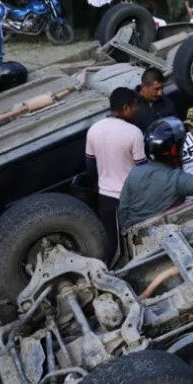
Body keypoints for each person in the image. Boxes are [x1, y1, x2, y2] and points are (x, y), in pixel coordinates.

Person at [116, 117, 193, 233]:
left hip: (136, 236)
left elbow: (123, 210)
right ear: (174, 150)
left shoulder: (134, 173)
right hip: (165, 234)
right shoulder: (176, 179)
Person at [85, 87, 146, 261]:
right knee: (137, 242)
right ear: (126, 107)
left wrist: (100, 184)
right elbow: (142, 168)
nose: (136, 111)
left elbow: (90, 164)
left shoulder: (94, 130)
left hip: (105, 198)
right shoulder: (133, 132)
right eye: (134, 106)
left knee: (112, 244)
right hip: (131, 198)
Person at [132, 68, 177, 132]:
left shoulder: (167, 103)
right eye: (156, 89)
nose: (160, 93)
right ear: (144, 87)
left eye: (162, 88)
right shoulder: (130, 104)